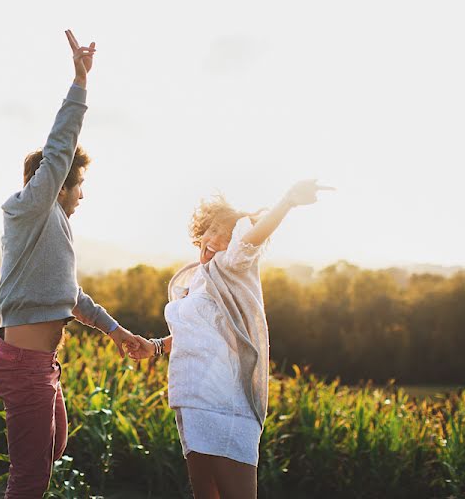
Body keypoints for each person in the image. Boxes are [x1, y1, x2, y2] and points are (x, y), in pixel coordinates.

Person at [0, 30, 141, 499]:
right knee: (31, 478)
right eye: (77, 185)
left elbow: (71, 298)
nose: (82, 194)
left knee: (52, 449)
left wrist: (118, 332)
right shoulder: (31, 207)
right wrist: (80, 82)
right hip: (24, 365)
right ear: (55, 183)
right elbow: (59, 149)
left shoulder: (53, 228)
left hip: (43, 364)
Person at [129, 181, 333, 499]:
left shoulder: (232, 267)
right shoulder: (198, 279)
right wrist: (155, 346)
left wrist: (287, 202)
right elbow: (195, 334)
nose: (212, 239)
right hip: (191, 401)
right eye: (209, 230)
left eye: (225, 233)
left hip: (225, 404)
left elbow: (251, 239)